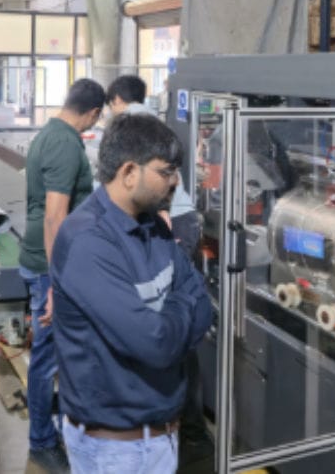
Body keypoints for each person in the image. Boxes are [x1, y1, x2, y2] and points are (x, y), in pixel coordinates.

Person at [51, 113, 212, 474]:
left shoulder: (152, 225)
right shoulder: (89, 243)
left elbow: (203, 304)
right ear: (128, 173)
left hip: (158, 436)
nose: (175, 183)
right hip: (114, 450)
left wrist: (171, 318)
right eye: (166, 171)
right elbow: (154, 344)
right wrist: (179, 310)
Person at [18, 78, 106, 472]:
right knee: (48, 357)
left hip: (47, 258)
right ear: (93, 113)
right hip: (50, 265)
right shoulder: (67, 144)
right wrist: (57, 282)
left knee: (52, 353)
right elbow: (56, 215)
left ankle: (51, 425)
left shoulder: (49, 132)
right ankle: (41, 440)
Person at [105, 75, 200, 256]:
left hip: (170, 218)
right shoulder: (155, 122)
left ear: (116, 99)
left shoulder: (129, 125)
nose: (111, 112)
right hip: (181, 216)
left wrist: (161, 210)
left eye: (111, 106)